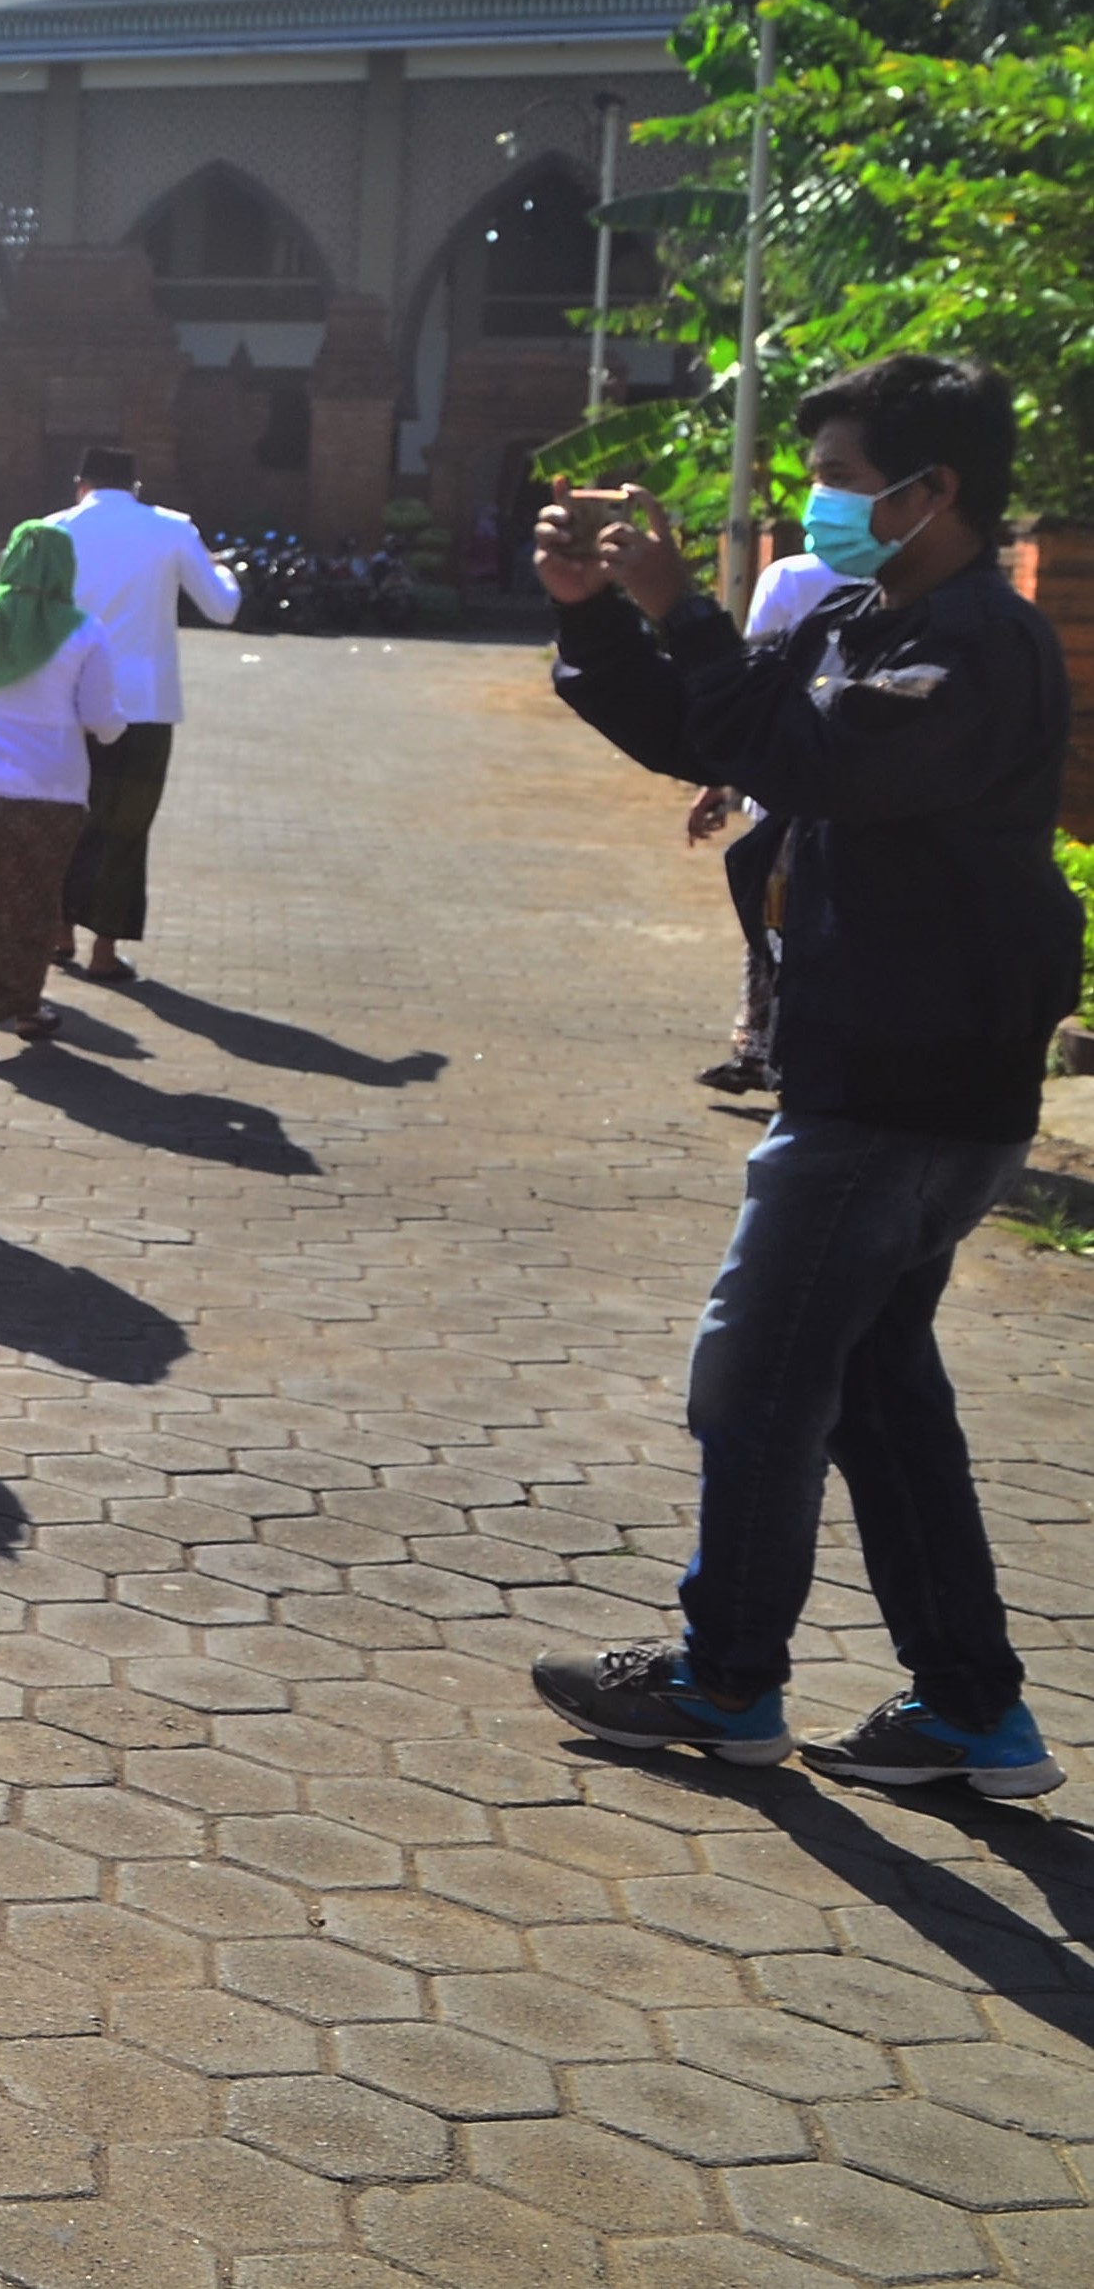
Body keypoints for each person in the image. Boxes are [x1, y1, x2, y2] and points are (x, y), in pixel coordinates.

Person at [530, 356, 1080, 1799]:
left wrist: (682, 611)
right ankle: (974, 1710)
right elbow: (713, 728)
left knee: (759, 1381)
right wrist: (597, 620)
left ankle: (727, 1681)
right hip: (880, 1061)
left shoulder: (977, 643)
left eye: (840, 473)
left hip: (905, 1079)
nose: (820, 503)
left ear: (931, 489)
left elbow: (823, 764)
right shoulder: (864, 612)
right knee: (883, 1392)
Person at [44, 445, 241, 979]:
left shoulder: (53, 529)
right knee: (127, 826)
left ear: (80, 484)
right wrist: (224, 572)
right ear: (135, 488)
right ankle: (105, 950)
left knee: (67, 816)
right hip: (144, 702)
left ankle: (58, 931)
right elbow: (222, 609)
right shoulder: (173, 529)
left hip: (69, 698)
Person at [0, 520, 125, 1066]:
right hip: (54, 792)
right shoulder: (86, 632)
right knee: (35, 901)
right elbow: (101, 719)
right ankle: (26, 1009)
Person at [687, 548, 851, 1095]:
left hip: (783, 782)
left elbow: (751, 682)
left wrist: (721, 777)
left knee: (773, 923)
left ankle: (763, 1052)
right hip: (853, 790)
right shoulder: (914, 579)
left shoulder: (791, 576)